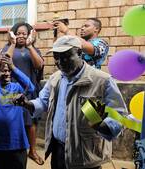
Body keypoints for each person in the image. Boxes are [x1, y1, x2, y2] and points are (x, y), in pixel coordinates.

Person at [13, 35, 127, 169]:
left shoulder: (102, 81)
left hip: (85, 155)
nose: (60, 62)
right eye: (57, 57)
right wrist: (27, 104)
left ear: (79, 53)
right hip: (58, 151)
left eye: (66, 56)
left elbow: (120, 118)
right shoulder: (55, 78)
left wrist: (101, 125)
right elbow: (43, 102)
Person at [2, 22, 44, 165]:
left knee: (31, 122)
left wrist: (30, 46)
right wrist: (12, 44)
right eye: (18, 33)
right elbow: (4, 63)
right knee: (12, 120)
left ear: (29, 35)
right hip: (11, 90)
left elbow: (39, 65)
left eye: (24, 33)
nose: (21, 35)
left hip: (30, 89)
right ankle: (13, 148)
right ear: (13, 34)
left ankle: (32, 151)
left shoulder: (33, 49)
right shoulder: (8, 48)